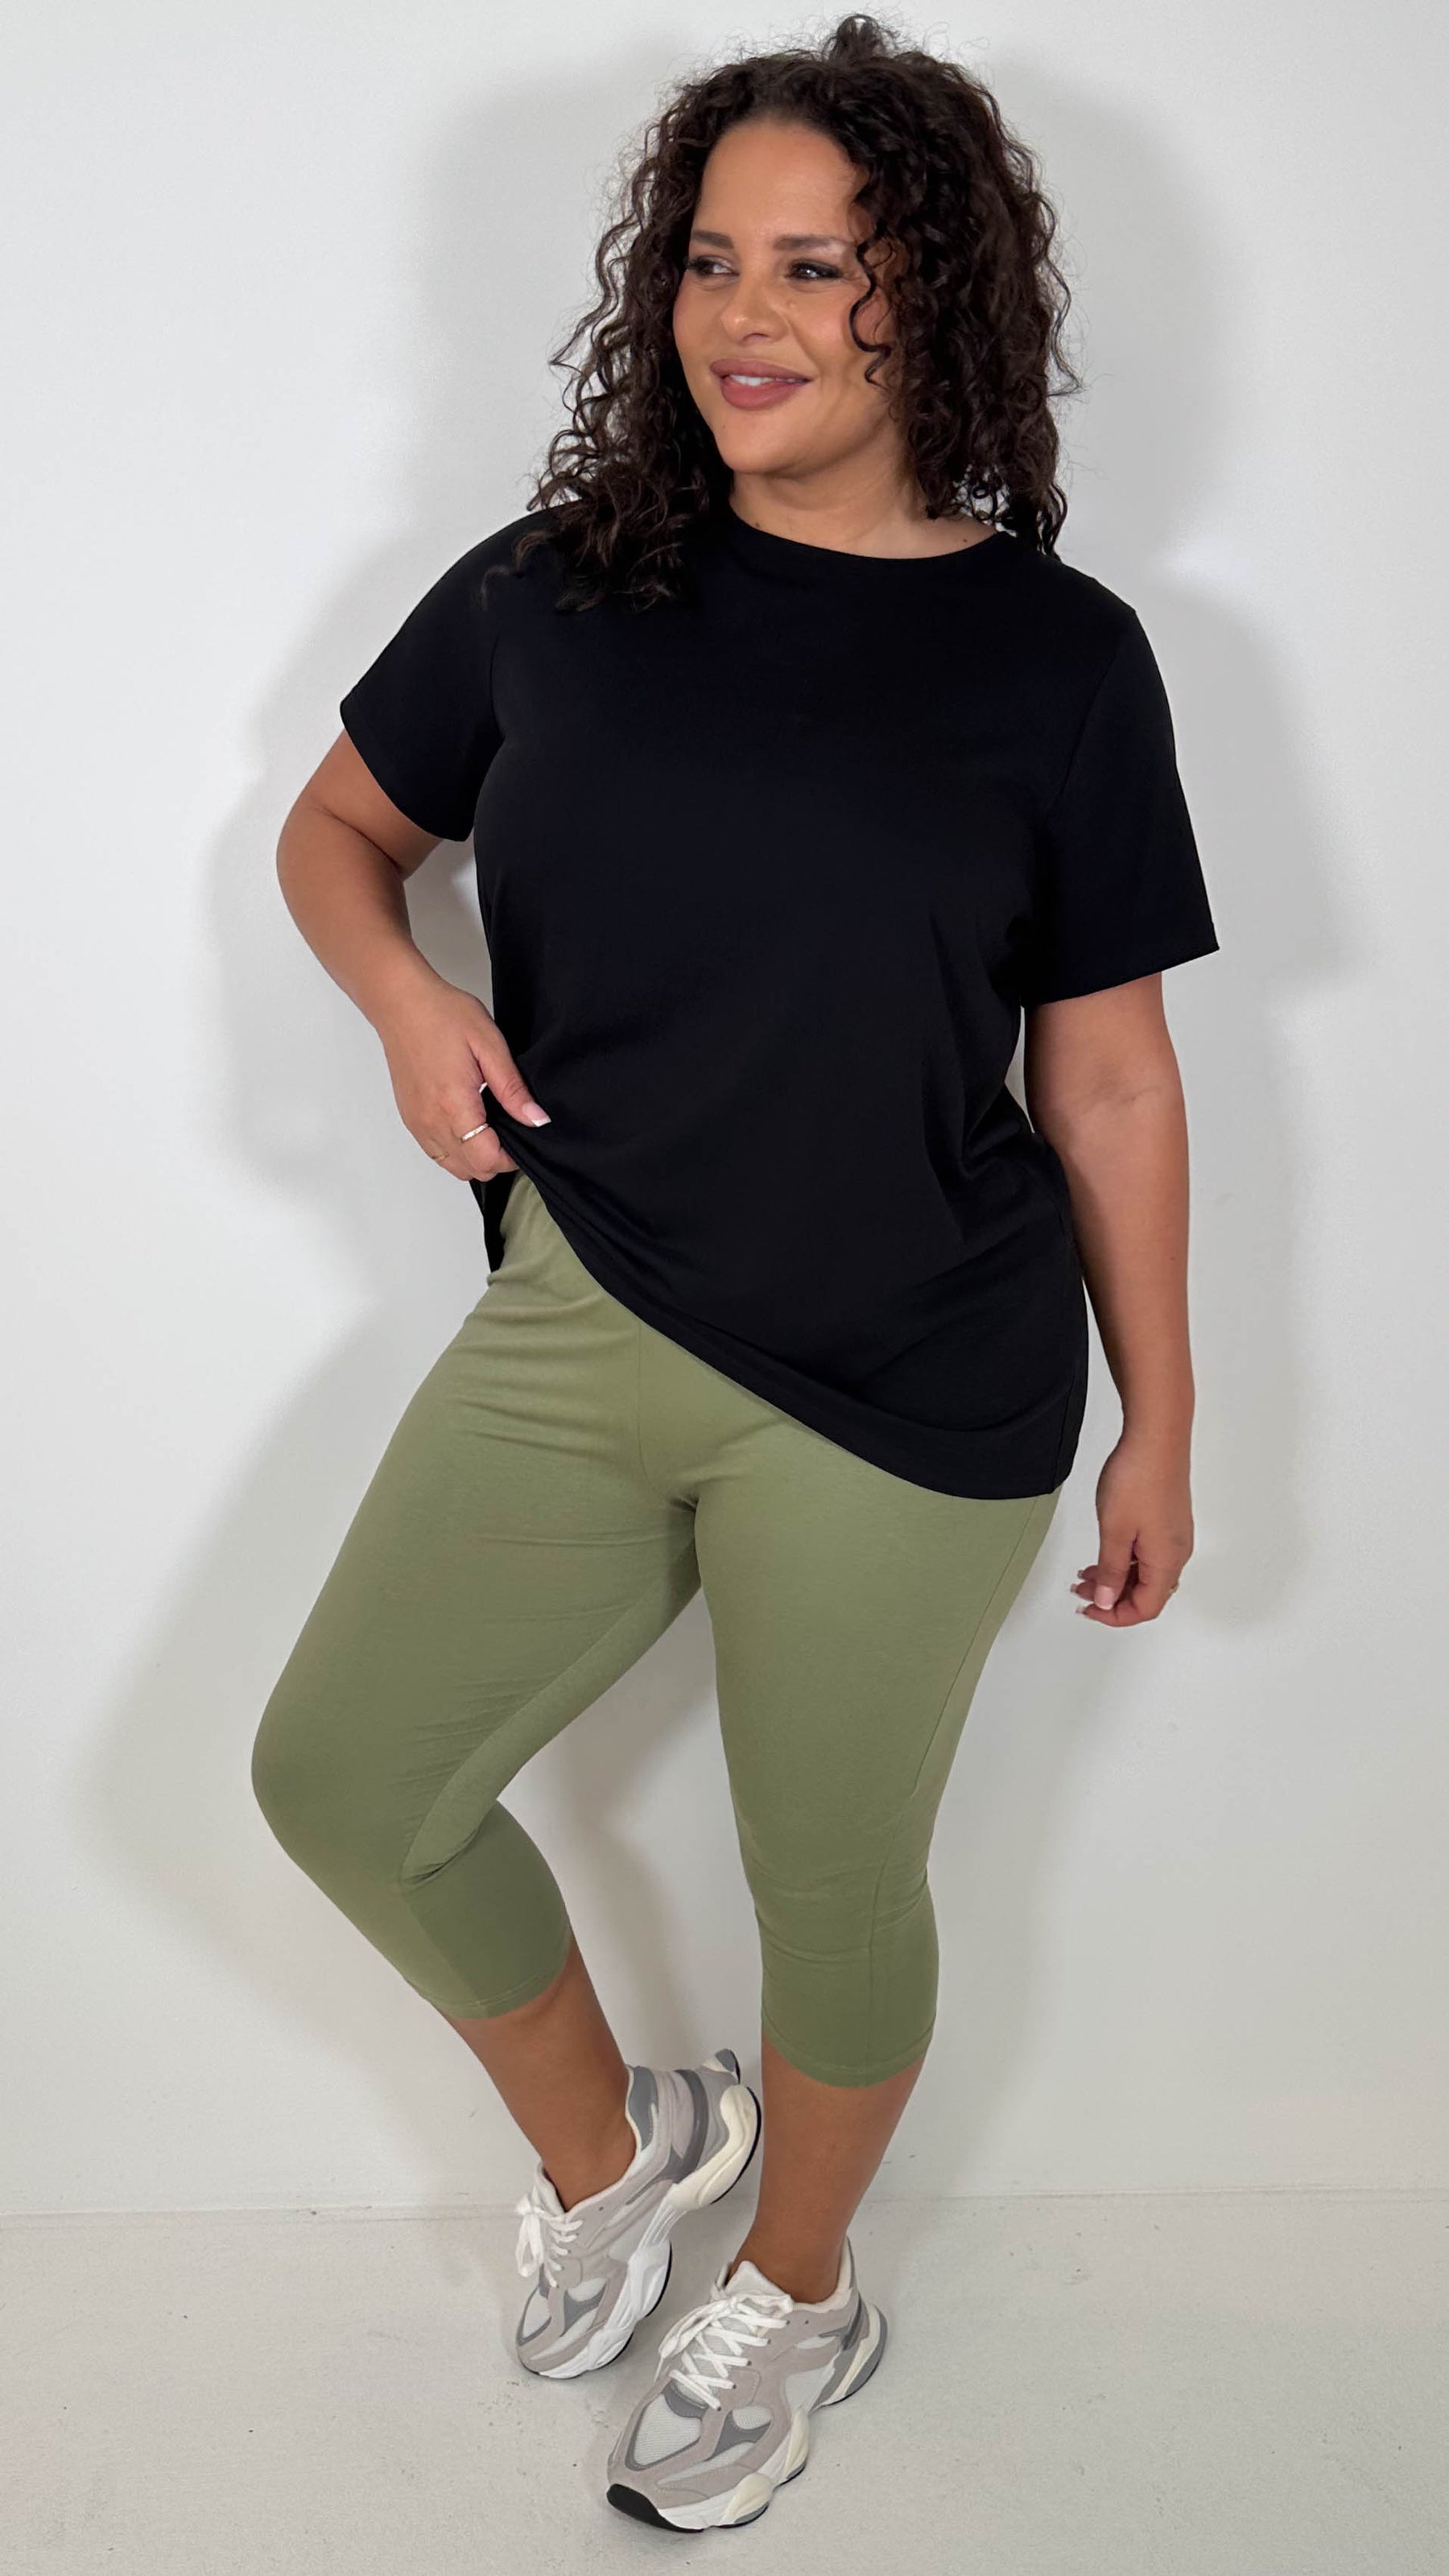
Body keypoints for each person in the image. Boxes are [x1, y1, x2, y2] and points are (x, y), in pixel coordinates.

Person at [250, 12, 1218, 2537]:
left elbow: (1111, 1080)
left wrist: (1168, 1416)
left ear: (935, 299)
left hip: (912, 1375)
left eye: (816, 264)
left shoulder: (1059, 658)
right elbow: (337, 835)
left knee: (831, 1885)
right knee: (342, 1776)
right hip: (588, 1315)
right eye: (708, 260)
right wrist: (410, 1007)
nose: (743, 316)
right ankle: (617, 2150)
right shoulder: (555, 591)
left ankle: (795, 2286)